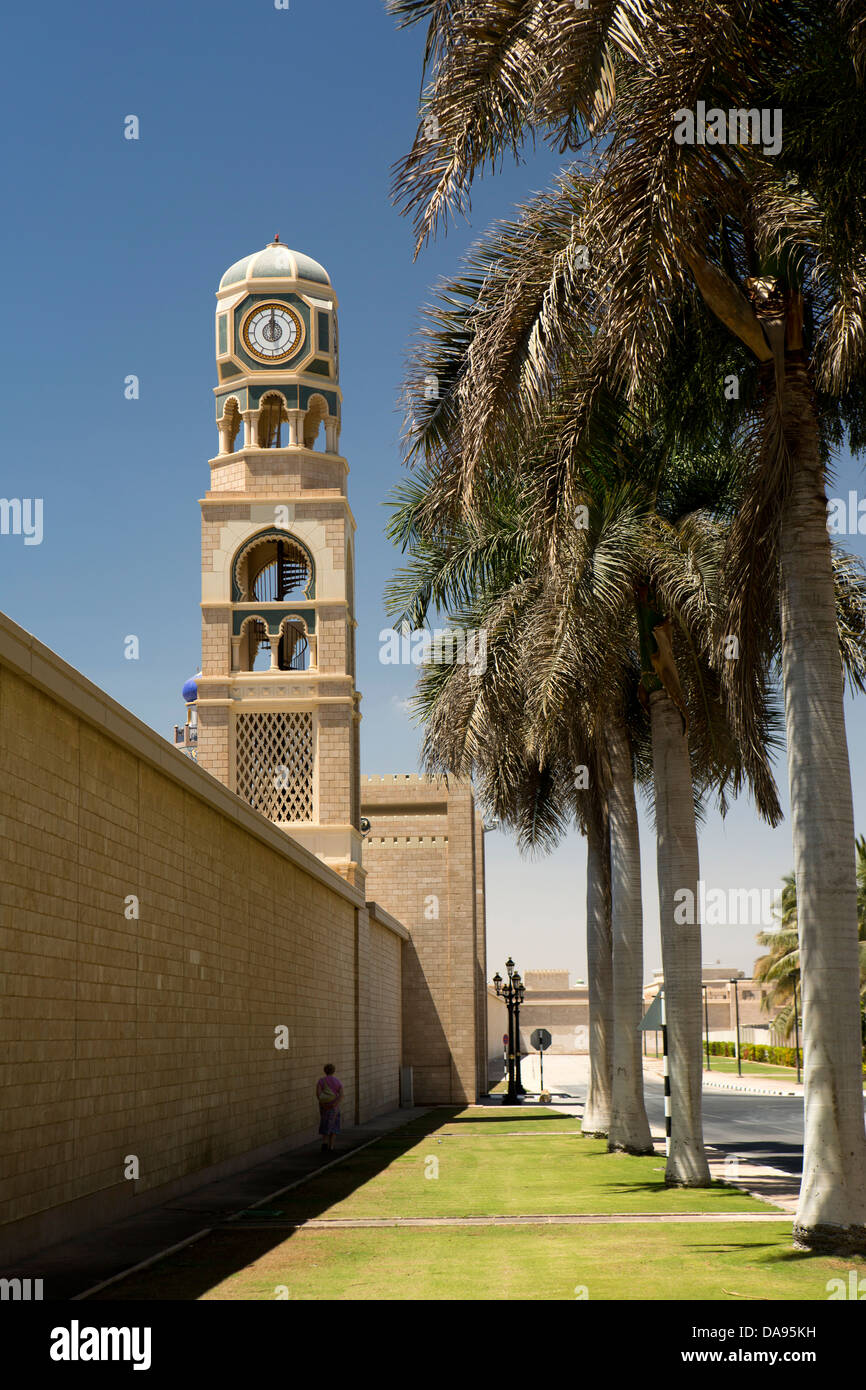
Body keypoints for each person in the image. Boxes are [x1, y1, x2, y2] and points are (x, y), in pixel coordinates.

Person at [316, 1063, 343, 1153]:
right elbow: (341, 1095)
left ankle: (324, 1142)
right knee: (334, 1125)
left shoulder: (321, 1081)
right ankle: (331, 1146)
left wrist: (323, 1104)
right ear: (333, 1071)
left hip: (324, 1107)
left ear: (325, 1071)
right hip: (334, 1107)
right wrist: (335, 1104)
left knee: (325, 1123)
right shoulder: (337, 1081)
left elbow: (318, 1094)